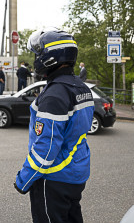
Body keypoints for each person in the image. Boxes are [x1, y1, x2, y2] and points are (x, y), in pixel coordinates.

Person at [14, 29, 94, 223]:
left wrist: (23, 180)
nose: (36, 58)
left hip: (54, 178)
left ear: (49, 58)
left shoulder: (54, 94)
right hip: (76, 173)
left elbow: (47, 148)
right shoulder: (81, 87)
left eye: (38, 54)